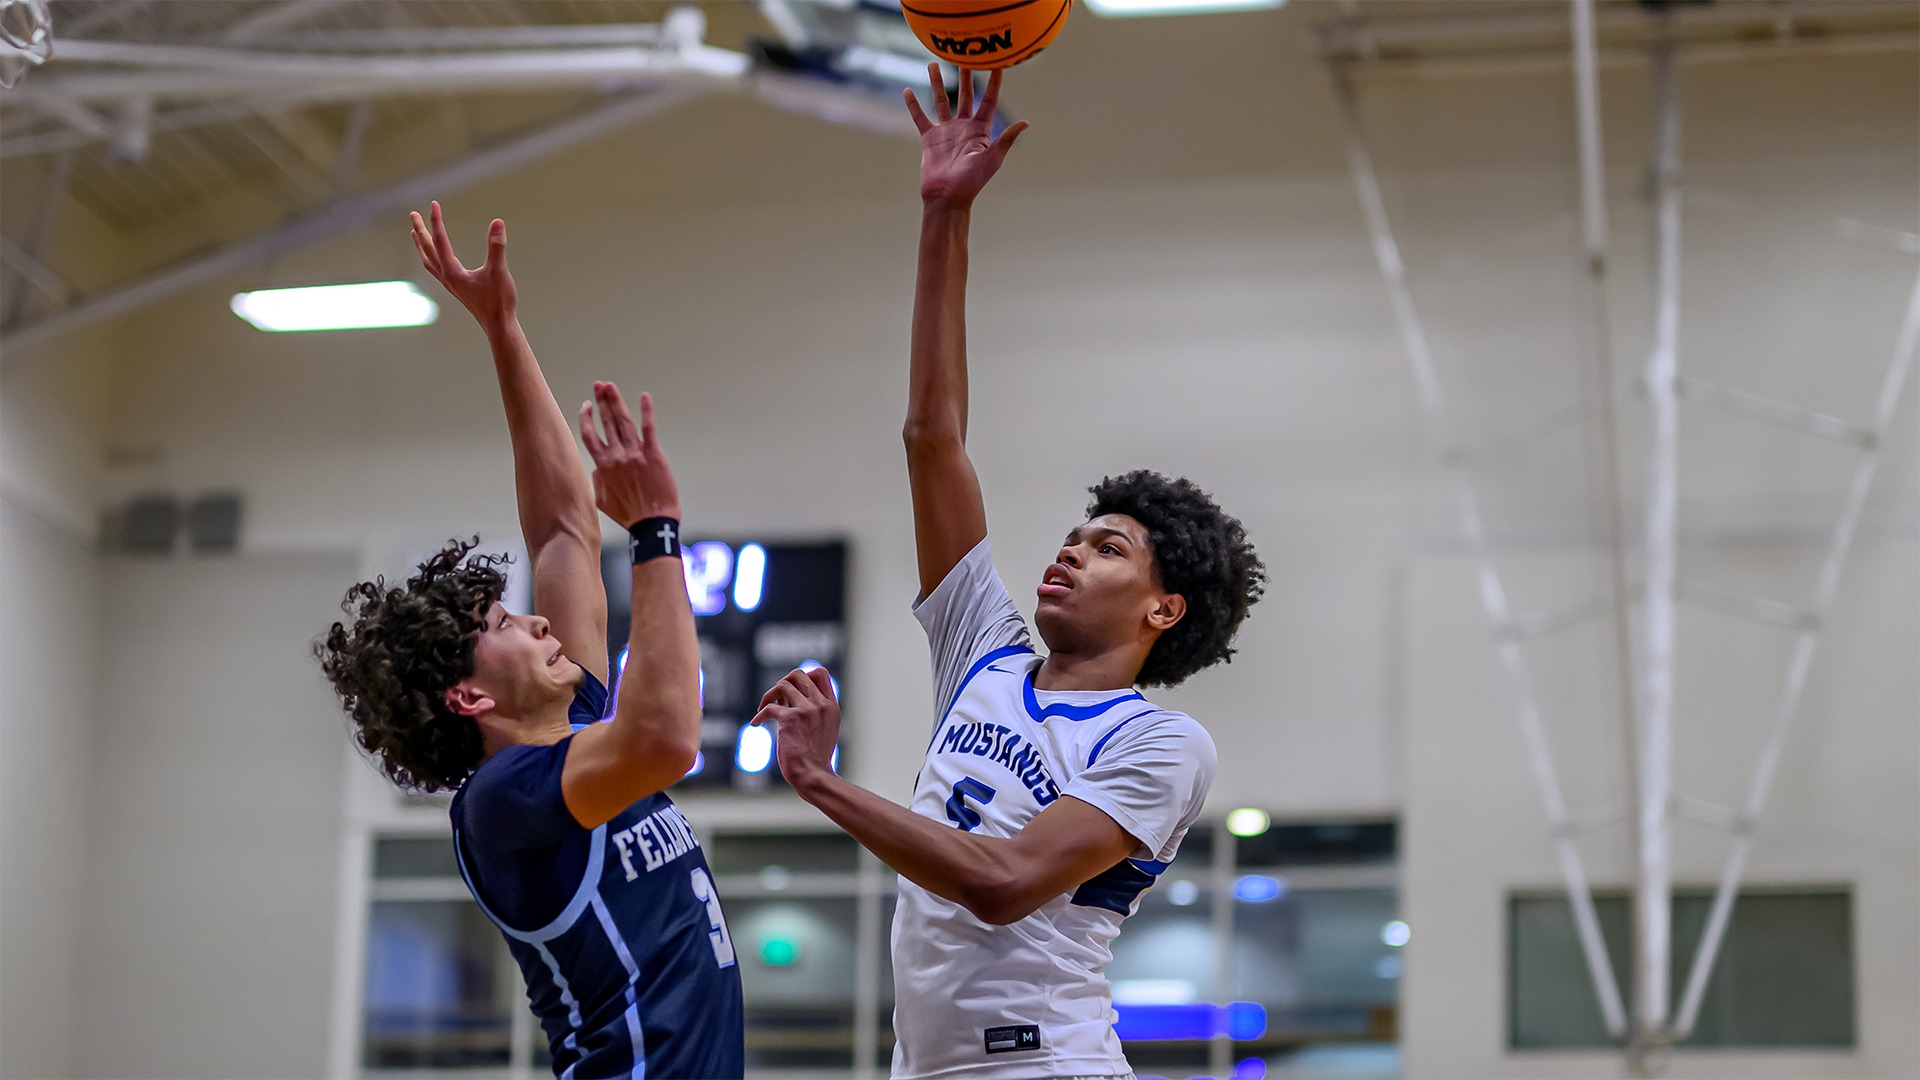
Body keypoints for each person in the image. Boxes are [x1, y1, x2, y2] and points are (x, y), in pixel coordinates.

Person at [754, 67, 1267, 1079]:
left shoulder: (1162, 745)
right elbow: (930, 438)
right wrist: (945, 216)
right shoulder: (980, 653)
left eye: (1109, 546)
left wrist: (818, 781)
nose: (1073, 548)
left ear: (1166, 609)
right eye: (1077, 533)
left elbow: (1002, 880)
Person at [317, 204, 743, 1078]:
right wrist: (659, 531)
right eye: (505, 626)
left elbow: (561, 532)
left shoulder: (577, 721)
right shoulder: (502, 800)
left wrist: (503, 331)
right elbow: (666, 737)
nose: (540, 620)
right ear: (470, 697)